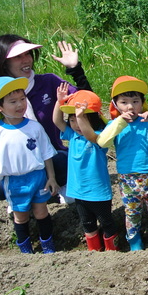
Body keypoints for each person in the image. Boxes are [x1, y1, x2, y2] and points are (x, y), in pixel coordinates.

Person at [0, 36, 92, 199]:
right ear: (3, 63)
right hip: (15, 166)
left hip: (50, 158)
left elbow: (88, 104)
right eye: (18, 56)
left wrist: (76, 70)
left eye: (28, 54)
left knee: (75, 160)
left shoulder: (49, 82)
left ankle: (40, 190)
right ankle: (41, 191)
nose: (26, 59)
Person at [0, 77, 59, 253]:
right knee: (21, 216)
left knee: (41, 212)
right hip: (14, 181)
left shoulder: (34, 127)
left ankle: (48, 245)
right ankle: (25, 249)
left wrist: (51, 178)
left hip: (38, 177)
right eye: (13, 102)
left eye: (22, 99)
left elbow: (46, 154)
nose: (20, 105)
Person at [96, 76, 148, 251]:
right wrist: (120, 121)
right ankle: (135, 245)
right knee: (132, 214)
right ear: (115, 104)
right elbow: (102, 141)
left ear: (142, 103)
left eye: (135, 101)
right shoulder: (114, 125)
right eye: (124, 102)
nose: (130, 106)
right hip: (127, 179)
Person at [52, 85, 118, 251]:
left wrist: (81, 117)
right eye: (72, 119)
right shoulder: (73, 135)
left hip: (98, 192)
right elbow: (57, 121)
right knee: (87, 224)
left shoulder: (100, 136)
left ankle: (112, 252)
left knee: (106, 222)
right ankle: (93, 252)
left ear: (93, 119)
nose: (76, 124)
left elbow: (90, 135)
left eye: (81, 119)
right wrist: (59, 103)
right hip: (78, 191)